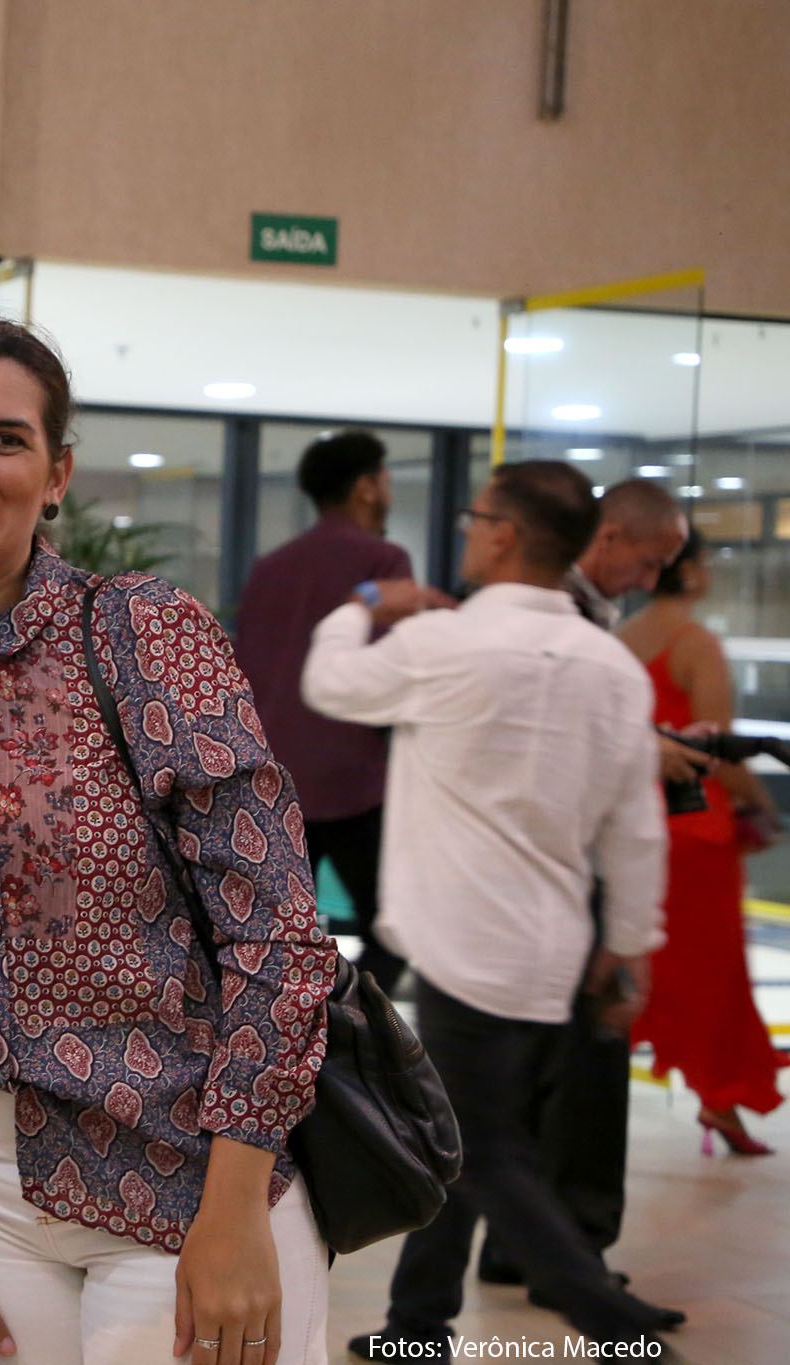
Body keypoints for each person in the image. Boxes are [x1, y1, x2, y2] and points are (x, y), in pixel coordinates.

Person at [0, 318, 336, 1365]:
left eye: (5, 439)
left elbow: (276, 936)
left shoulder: (143, 633)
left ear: (55, 475)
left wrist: (236, 1208)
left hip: (183, 1173)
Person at [303, 460, 676, 1358]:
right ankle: (416, 1323)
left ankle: (618, 1327)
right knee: (468, 1131)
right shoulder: (612, 667)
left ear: (505, 534)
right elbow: (636, 826)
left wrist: (365, 601)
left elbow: (330, 682)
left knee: (485, 1153)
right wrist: (631, 940)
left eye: (476, 519)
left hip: (469, 946)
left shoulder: (446, 642)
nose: (467, 531)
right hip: (556, 945)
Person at [476, 476, 694, 1292]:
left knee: (543, 1070)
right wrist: (647, 750)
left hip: (533, 871)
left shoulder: (566, 614)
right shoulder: (559, 618)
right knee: (585, 1065)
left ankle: (525, 1247)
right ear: (609, 537)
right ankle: (573, 1254)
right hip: (565, 868)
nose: (652, 578)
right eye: (651, 560)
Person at [619, 529, 782, 1154]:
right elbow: (719, 749)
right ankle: (720, 1097)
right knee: (715, 977)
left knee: (648, 968)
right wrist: (763, 804)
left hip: (638, 821)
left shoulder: (620, 639)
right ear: (685, 572)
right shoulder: (695, 643)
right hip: (696, 830)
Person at [235, 430, 411, 991]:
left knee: (277, 942)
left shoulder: (270, 567)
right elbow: (391, 674)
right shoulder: (385, 562)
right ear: (366, 488)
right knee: (394, 934)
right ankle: (354, 1030)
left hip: (276, 783)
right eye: (385, 479)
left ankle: (299, 1029)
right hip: (357, 781)